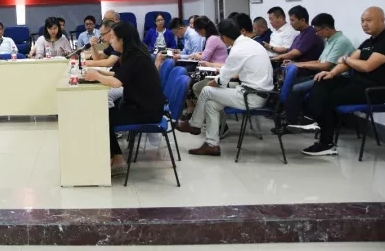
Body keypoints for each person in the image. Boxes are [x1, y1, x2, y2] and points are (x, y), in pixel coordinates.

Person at [288, 7, 385, 156]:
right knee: (322, 80)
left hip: (374, 90)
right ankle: (314, 120)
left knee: (327, 98)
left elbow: (367, 66)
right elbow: (347, 63)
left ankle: (325, 141)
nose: (364, 24)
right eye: (362, 21)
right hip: (357, 84)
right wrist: (331, 73)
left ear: (382, 20)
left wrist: (346, 59)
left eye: (368, 20)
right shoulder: (368, 42)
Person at [177, 19, 274, 156]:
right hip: (257, 92)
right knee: (211, 104)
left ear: (224, 37)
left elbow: (222, 80)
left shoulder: (237, 49)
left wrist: (212, 83)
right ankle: (211, 145)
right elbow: (231, 72)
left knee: (206, 90)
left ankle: (194, 125)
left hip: (252, 96)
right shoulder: (250, 43)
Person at [84, 21, 166, 176]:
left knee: (101, 116)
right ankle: (114, 156)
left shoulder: (135, 57)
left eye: (113, 38)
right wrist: (100, 73)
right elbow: (120, 74)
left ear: (122, 39)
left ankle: (118, 159)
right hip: (142, 105)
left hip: (146, 111)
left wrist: (97, 76)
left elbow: (116, 83)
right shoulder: (135, 53)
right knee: (103, 113)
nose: (110, 41)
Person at [280, 13, 356, 131]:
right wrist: (296, 63)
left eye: (317, 31)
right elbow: (319, 61)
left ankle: (293, 123)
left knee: (297, 88)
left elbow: (326, 66)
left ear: (326, 29)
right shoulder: (330, 40)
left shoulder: (341, 41)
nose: (316, 34)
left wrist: (301, 64)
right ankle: (292, 120)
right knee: (294, 83)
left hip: (336, 78)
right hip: (323, 75)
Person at [189, 17, 229, 99]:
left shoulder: (212, 39)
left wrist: (196, 55)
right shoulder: (215, 37)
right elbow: (207, 54)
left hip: (216, 69)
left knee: (190, 79)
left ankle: (194, 104)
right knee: (189, 77)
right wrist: (202, 54)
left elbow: (204, 58)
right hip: (215, 67)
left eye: (197, 31)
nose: (198, 34)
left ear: (202, 30)